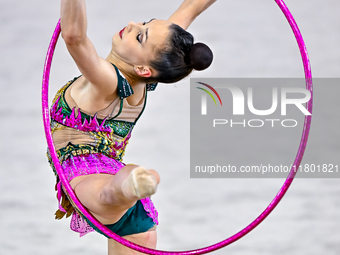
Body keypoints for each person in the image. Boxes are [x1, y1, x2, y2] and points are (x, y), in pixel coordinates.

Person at [47, 0, 216, 254]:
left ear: (142, 69)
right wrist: (148, 33)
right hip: (133, 211)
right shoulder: (156, 60)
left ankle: (132, 185)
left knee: (107, 194)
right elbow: (192, 6)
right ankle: (139, 182)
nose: (132, 24)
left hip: (90, 178)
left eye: (140, 35)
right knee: (116, 187)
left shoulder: (108, 81)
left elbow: (73, 37)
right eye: (145, 23)